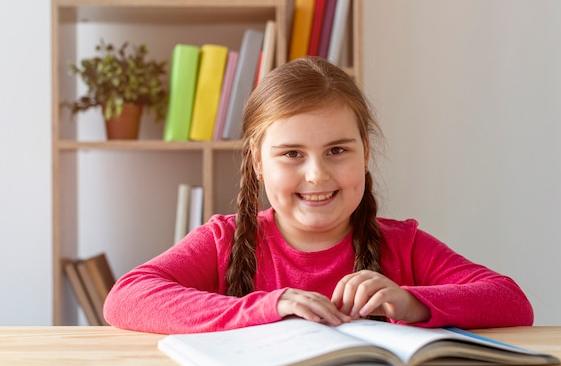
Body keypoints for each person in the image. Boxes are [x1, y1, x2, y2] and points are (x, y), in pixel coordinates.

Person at [103, 57, 533, 334]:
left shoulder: (403, 244)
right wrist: (269, 305)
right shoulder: (225, 241)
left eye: (338, 150)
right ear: (257, 161)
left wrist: (411, 301)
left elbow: (510, 301)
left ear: (365, 152)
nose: (316, 174)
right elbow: (127, 297)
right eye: (291, 153)